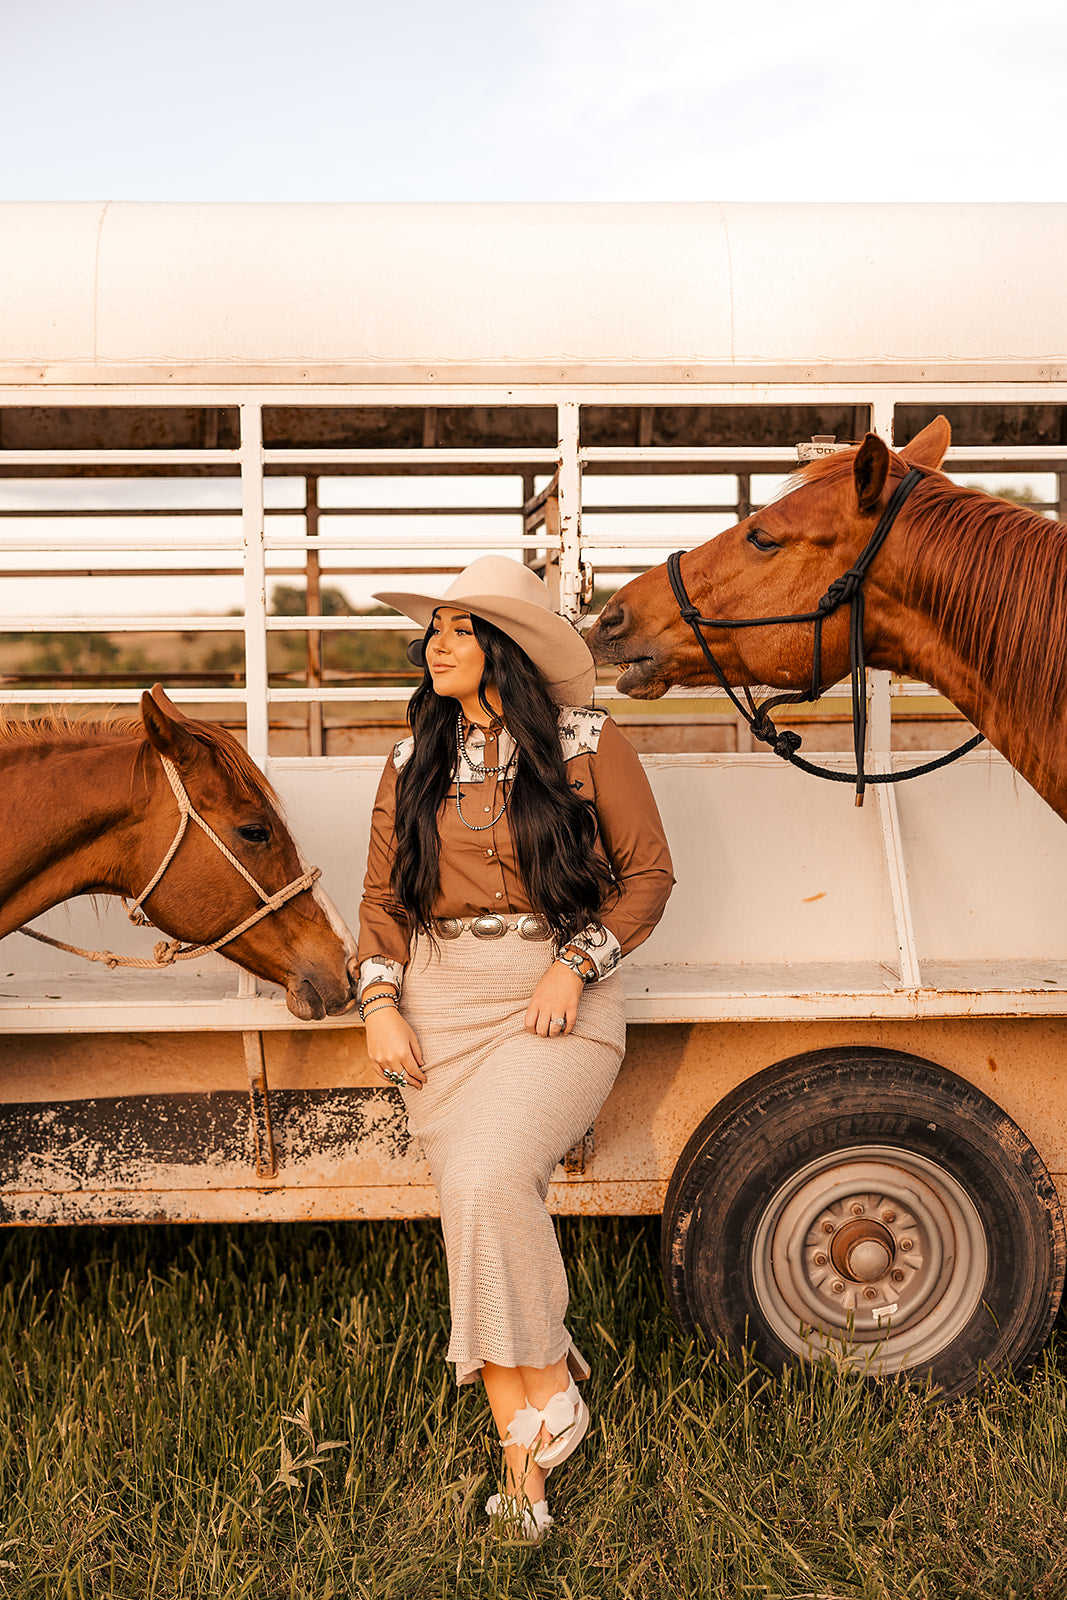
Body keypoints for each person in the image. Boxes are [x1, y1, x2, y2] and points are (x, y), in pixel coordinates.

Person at [356, 555, 673, 1540]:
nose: (434, 642)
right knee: (475, 1209)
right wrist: (379, 1003)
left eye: (456, 625)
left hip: (555, 997)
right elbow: (379, 900)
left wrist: (572, 965)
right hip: (437, 1006)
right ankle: (525, 1474)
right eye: (433, 628)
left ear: (507, 647)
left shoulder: (586, 742)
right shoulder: (413, 757)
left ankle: (551, 1395)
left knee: (491, 1178)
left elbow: (648, 876)